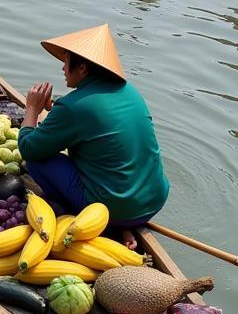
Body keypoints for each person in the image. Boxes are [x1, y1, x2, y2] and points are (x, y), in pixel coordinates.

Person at [17, 24, 169, 225]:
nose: (62, 67)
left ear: (82, 68)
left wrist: (32, 109)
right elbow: (94, 123)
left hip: (112, 211)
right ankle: (127, 224)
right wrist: (57, 113)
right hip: (154, 202)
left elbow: (29, 148)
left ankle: (90, 217)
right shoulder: (131, 92)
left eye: (66, 60)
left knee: (37, 162)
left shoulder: (73, 106)